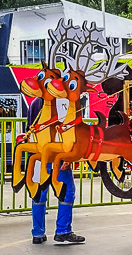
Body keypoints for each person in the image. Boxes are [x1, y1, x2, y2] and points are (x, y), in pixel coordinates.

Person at [17, 97, 86, 245]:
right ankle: (63, 230)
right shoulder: (63, 102)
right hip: (57, 157)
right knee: (67, 192)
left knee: (39, 194)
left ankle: (37, 233)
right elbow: (67, 132)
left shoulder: (36, 102)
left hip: (37, 156)